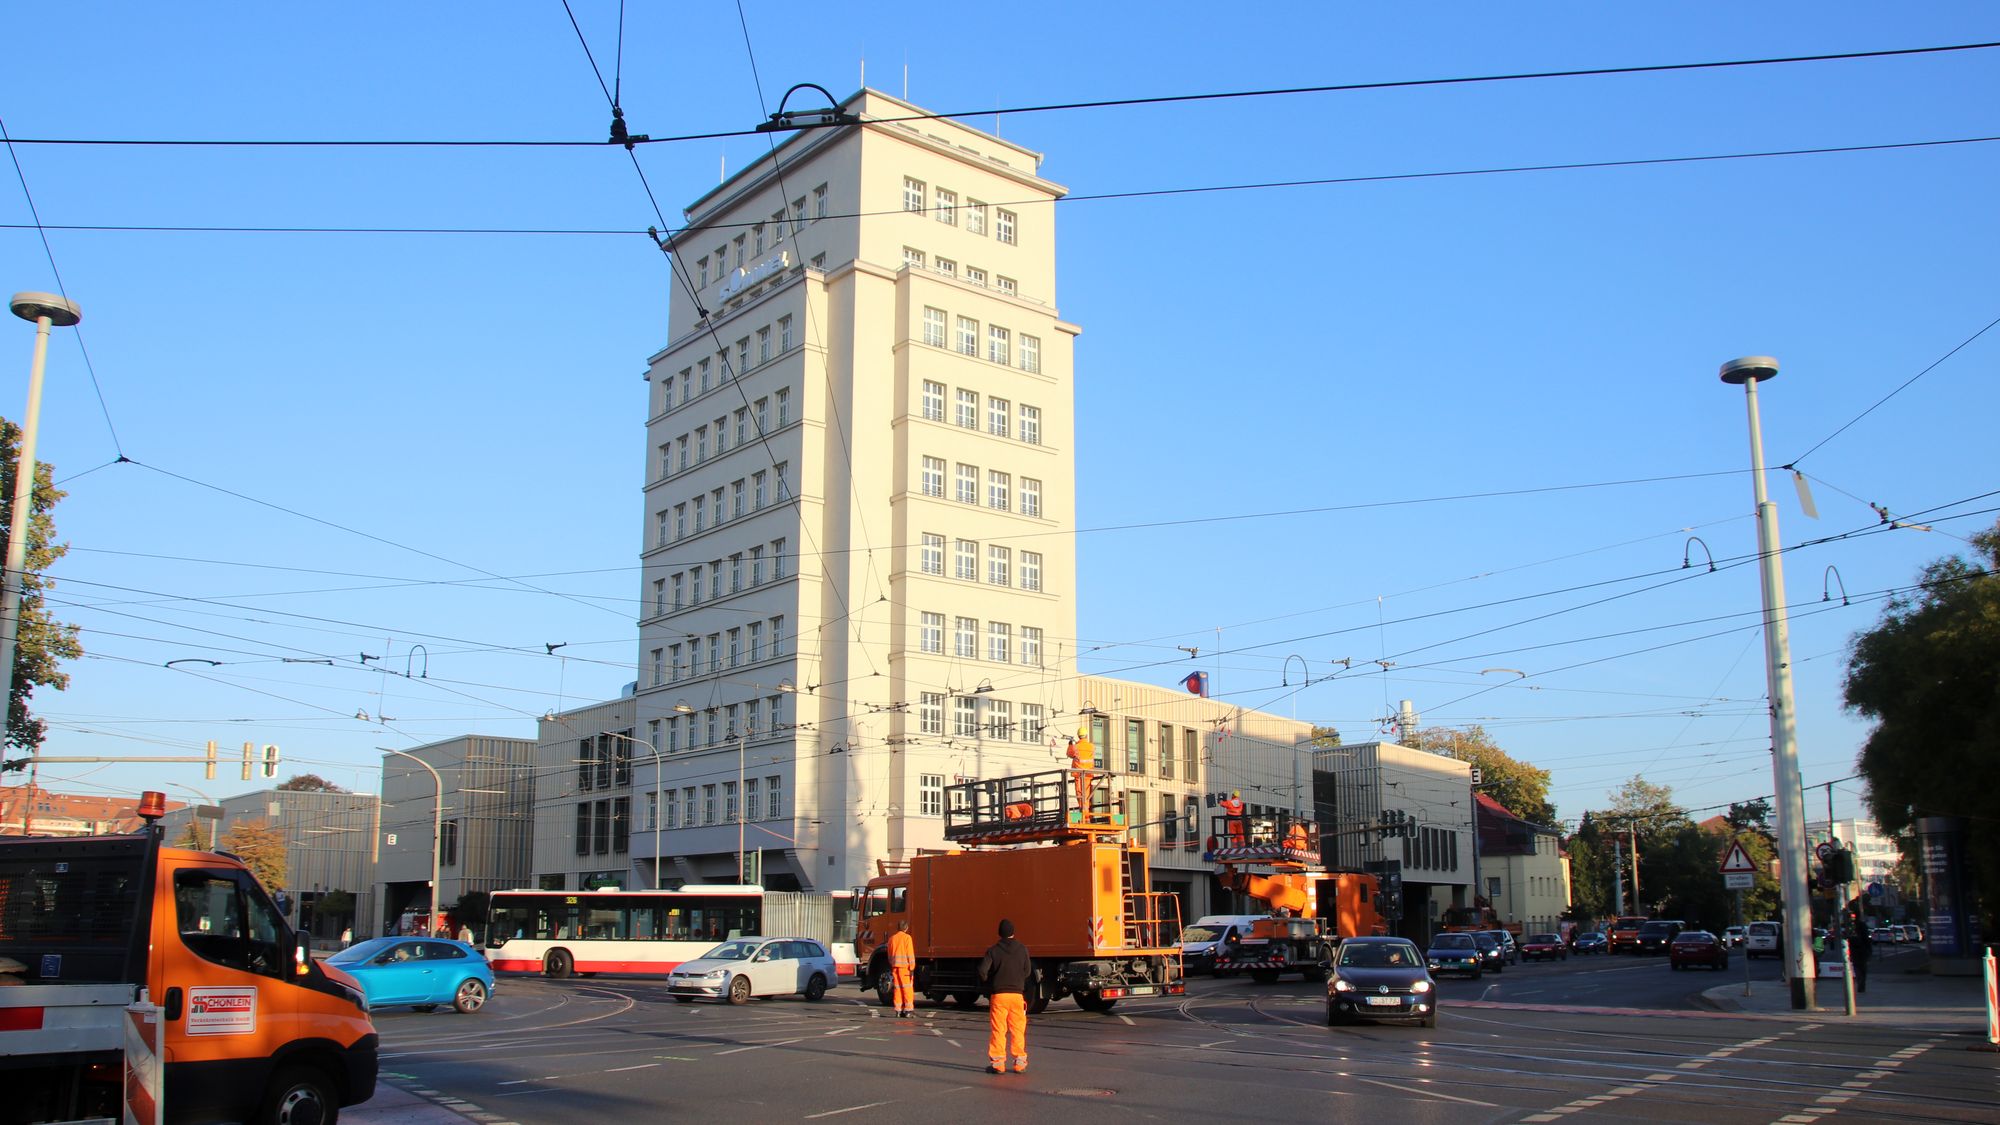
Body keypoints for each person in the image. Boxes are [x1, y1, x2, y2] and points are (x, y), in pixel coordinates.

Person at [977, 919, 1032, 1075]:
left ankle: (998, 1064)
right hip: (1017, 996)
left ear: (999, 933)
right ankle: (1020, 1062)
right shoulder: (1022, 949)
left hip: (999, 996)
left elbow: (982, 970)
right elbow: (1027, 971)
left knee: (998, 1030)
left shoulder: (993, 950)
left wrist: (990, 980)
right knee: (1018, 1030)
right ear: (1013, 932)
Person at [888, 920, 916, 1018]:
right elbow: (910, 954)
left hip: (895, 967)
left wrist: (893, 964)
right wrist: (912, 967)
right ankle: (908, 1011)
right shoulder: (907, 938)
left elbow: (890, 955)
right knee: (907, 989)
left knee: (897, 989)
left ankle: (898, 1011)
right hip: (905, 968)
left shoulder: (892, 939)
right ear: (906, 928)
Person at [1066, 735, 1096, 816]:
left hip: (1079, 774)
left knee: (1080, 793)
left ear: (1079, 736)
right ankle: (1086, 812)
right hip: (1088, 773)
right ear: (1086, 736)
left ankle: (1084, 813)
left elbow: (1069, 753)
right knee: (1086, 794)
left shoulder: (1076, 747)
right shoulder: (1091, 746)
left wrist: (1070, 745)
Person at [1849, 918, 1872, 994]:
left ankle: (1860, 983)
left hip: (1855, 954)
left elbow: (1850, 943)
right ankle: (1862, 984)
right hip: (1863, 953)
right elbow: (1868, 944)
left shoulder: (1853, 935)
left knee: (1857, 969)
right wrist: (1869, 953)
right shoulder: (1865, 936)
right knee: (1863, 970)